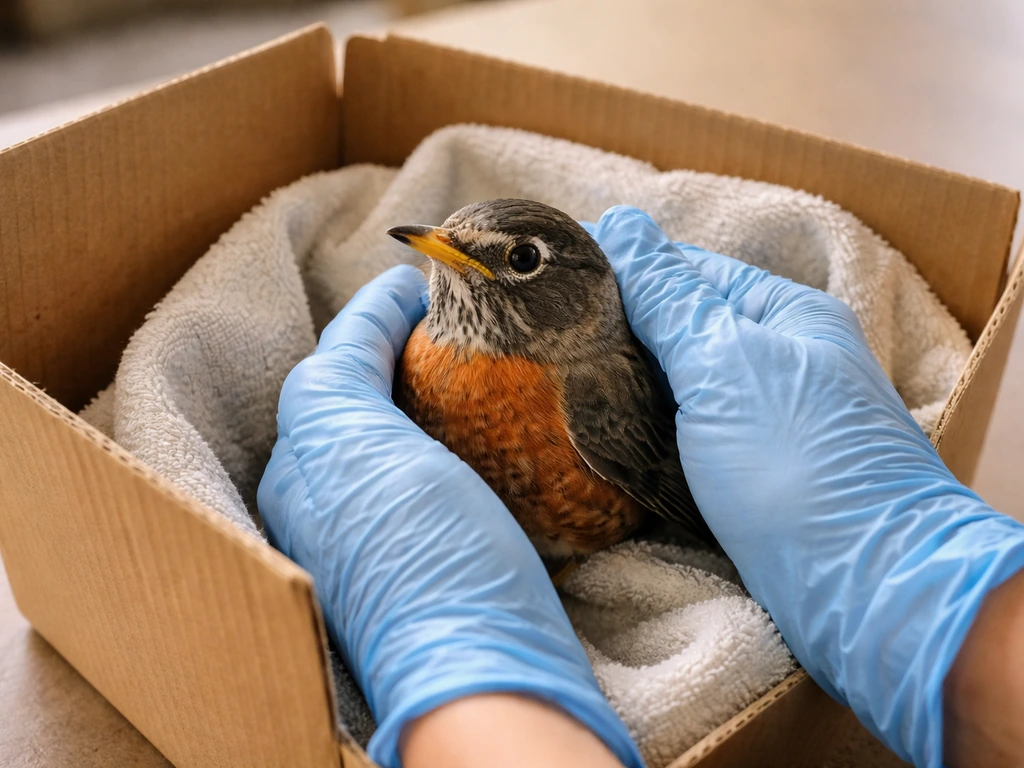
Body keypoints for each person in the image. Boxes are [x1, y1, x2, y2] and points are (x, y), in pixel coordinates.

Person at [257, 206, 1024, 768]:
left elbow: (668, 494)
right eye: (450, 240)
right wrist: (912, 590)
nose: (438, 250)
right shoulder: (423, 347)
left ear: (578, 295)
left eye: (517, 259)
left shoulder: (589, 390)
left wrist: (459, 653)